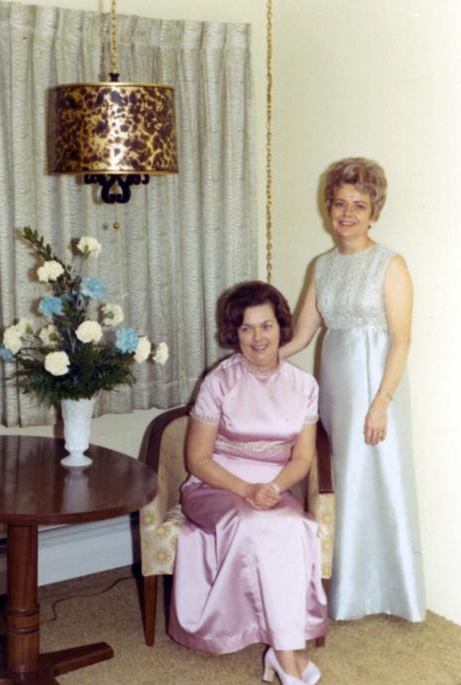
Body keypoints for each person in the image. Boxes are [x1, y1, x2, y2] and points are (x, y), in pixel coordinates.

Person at [281, 157, 425, 622]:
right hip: (336, 388)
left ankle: (393, 593)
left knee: (377, 481)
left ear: (374, 211)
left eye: (358, 205)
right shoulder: (321, 266)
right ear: (328, 208)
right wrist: (257, 355)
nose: (347, 213)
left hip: (376, 390)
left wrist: (381, 402)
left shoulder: (391, 264)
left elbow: (402, 340)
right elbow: (301, 337)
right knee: (339, 480)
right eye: (339, 203)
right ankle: (345, 590)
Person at [169, 281, 327, 685]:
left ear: (282, 328)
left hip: (275, 486)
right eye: (246, 328)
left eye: (267, 326)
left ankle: (282, 653)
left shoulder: (304, 386)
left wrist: (273, 488)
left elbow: (304, 458)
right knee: (257, 523)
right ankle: (289, 659)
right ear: (234, 333)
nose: (258, 338)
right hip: (217, 486)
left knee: (291, 525)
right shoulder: (219, 382)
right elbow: (197, 460)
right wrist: (246, 490)